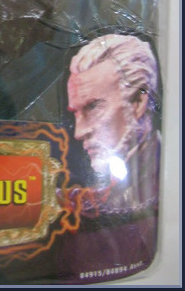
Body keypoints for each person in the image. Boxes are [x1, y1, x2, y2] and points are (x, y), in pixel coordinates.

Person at [56, 34, 160, 281]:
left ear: (137, 102)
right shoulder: (81, 201)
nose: (79, 132)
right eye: (76, 113)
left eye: (93, 107)